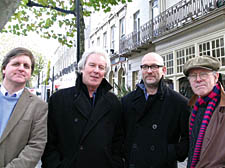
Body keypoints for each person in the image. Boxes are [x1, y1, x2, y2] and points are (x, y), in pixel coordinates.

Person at [41, 48, 124, 168]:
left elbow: (118, 141)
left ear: (104, 73)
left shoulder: (113, 102)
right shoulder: (59, 99)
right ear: (82, 68)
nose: (96, 71)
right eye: (92, 65)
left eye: (101, 67)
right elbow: (48, 141)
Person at [122, 52, 190, 168]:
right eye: (145, 67)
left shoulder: (180, 103)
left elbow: (188, 138)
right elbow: (119, 134)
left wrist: (169, 152)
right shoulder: (126, 101)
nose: (149, 71)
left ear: (164, 70)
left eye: (154, 66)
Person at [0, 47, 48, 168]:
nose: (21, 68)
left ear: (30, 74)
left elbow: (36, 145)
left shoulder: (39, 106)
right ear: (4, 69)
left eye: (26, 66)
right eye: (16, 64)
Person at [183, 55, 225, 168]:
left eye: (203, 74)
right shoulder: (195, 107)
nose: (198, 79)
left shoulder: (222, 108)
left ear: (216, 77)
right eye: (193, 75)